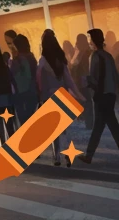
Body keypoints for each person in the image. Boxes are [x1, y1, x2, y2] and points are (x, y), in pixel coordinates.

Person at [37, 30, 83, 166]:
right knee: (64, 128)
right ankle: (69, 154)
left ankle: (56, 156)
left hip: (49, 97)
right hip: (62, 95)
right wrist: (77, 93)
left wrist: (41, 97)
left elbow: (40, 82)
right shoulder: (61, 58)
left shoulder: (43, 61)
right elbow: (68, 79)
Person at [82, 28, 119, 164]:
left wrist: (85, 82)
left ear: (93, 40)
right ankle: (89, 155)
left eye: (90, 38)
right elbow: (115, 76)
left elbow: (93, 78)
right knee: (103, 126)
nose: (89, 41)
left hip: (101, 95)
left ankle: (89, 155)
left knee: (107, 126)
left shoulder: (95, 56)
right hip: (110, 95)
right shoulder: (108, 56)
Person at [9, 34, 39, 127]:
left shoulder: (19, 59)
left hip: (22, 93)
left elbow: (16, 76)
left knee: (24, 121)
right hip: (33, 91)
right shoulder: (31, 57)